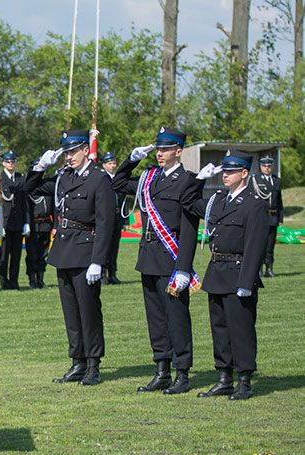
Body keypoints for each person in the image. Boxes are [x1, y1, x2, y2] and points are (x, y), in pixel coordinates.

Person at [110, 128, 201, 394]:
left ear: (178, 151)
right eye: (158, 149)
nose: (160, 153)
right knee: (156, 319)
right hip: (148, 256)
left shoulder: (188, 181)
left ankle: (182, 373)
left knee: (177, 317)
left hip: (171, 259)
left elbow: (189, 228)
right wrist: (132, 159)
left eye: (165, 149)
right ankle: (162, 370)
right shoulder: (149, 177)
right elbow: (117, 184)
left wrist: (183, 267)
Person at [26, 130, 115, 385]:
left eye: (73, 151)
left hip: (85, 252)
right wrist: (40, 166)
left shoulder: (98, 179)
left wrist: (98, 261)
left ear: (86, 150)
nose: (69, 157)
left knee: (89, 311)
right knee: (71, 313)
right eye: (66, 152)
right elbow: (29, 188)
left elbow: (105, 223)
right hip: (64, 251)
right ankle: (78, 361)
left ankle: (93, 364)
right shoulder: (63, 177)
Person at [191, 151, 268, 400]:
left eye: (231, 171)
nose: (225, 175)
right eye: (224, 171)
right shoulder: (218, 200)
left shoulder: (253, 204)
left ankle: (244, 380)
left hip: (238, 273)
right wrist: (199, 180)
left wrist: (247, 281)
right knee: (220, 329)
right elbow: (189, 202)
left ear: (244, 173)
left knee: (241, 330)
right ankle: (224, 377)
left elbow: (255, 245)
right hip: (217, 272)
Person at [0, 151, 29, 290]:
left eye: (13, 161)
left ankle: (14, 282)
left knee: (16, 256)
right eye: (8, 161)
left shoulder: (21, 178)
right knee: (3, 256)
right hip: (5, 222)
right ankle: (4, 282)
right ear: (3, 163)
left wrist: (27, 222)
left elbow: (24, 203)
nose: (11, 164)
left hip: (18, 222)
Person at [251, 155, 283, 277]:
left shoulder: (276, 180)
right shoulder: (255, 179)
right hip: (260, 217)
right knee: (259, 245)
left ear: (272, 167)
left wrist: (280, 217)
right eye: (264, 166)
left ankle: (269, 269)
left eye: (269, 166)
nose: (267, 168)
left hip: (273, 217)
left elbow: (279, 201)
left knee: (270, 246)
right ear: (261, 167)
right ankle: (258, 269)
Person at [25, 159, 53, 289]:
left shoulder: (47, 185)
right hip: (33, 225)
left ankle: (40, 279)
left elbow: (54, 208)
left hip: (46, 224)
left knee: (43, 254)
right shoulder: (28, 187)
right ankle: (32, 279)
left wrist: (55, 226)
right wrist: (26, 223)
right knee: (32, 254)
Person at [99, 152, 124, 285]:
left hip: (117, 217)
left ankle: (112, 273)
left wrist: (124, 217)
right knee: (105, 246)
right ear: (104, 165)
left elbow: (122, 199)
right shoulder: (102, 178)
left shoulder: (117, 178)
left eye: (114, 163)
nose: (112, 166)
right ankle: (102, 273)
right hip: (106, 218)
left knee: (114, 246)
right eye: (110, 163)